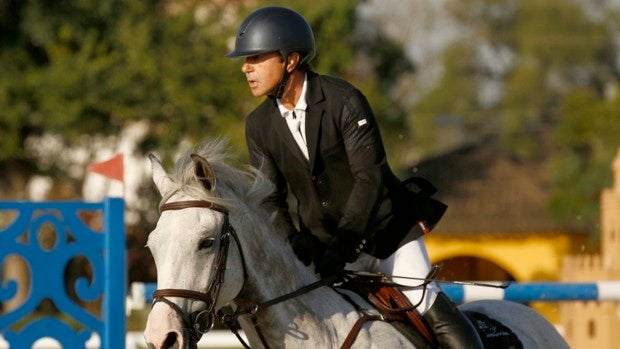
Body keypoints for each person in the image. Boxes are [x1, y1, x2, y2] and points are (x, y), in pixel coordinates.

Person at [227, 6, 483, 349]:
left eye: (256, 58)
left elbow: (370, 178)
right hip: (321, 247)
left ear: (290, 61)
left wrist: (343, 248)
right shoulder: (258, 125)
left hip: (385, 235)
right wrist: (293, 240)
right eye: (246, 59)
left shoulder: (343, 100)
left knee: (425, 301)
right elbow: (269, 196)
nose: (246, 67)